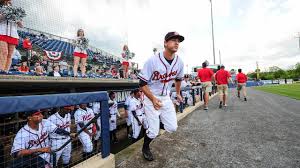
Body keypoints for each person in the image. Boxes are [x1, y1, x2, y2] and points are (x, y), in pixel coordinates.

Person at [137, 31, 184, 161]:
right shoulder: (152, 61)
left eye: (178, 41)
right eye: (173, 40)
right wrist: (152, 99)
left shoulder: (179, 62)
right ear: (165, 43)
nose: (176, 43)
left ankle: (155, 124)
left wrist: (178, 93)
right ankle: (145, 147)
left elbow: (179, 79)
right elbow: (142, 83)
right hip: (150, 96)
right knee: (153, 132)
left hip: (166, 97)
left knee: (172, 127)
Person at [0, 0, 24, 73]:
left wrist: (16, 19)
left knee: (10, 55)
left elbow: (21, 25)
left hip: (13, 34)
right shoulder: (1, 7)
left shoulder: (16, 9)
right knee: (4, 52)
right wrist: (6, 15)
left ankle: (6, 71)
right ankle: (1, 69)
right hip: (2, 31)